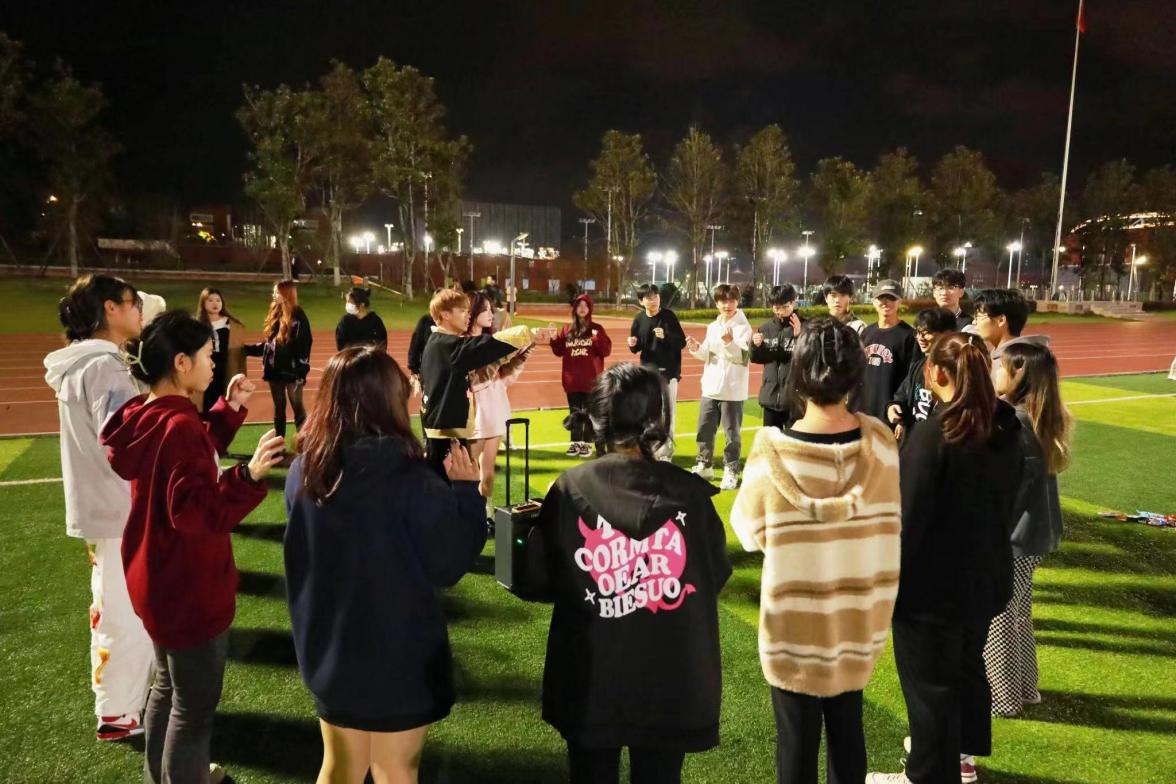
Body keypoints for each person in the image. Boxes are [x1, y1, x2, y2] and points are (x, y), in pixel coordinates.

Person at [284, 346, 487, 784]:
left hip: (332, 652)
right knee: (395, 770)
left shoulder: (305, 472)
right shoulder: (412, 479)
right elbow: (449, 563)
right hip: (401, 659)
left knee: (340, 768)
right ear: (388, 401)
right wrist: (468, 494)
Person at [100, 311, 285, 784]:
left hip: (156, 576)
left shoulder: (149, 415)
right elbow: (197, 513)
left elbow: (189, 454)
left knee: (167, 688)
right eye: (207, 355)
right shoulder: (178, 425)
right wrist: (248, 476)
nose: (214, 363)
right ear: (181, 362)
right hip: (188, 586)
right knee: (193, 708)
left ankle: (161, 777)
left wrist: (227, 409)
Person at [534, 363, 732, 784]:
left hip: (591, 679)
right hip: (670, 676)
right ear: (656, 418)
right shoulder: (691, 494)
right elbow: (716, 572)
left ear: (598, 417)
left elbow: (538, 578)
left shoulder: (569, 488)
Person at [731, 317, 901, 784]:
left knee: (796, 743)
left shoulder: (771, 454)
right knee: (849, 733)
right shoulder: (881, 443)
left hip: (793, 625)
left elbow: (748, 532)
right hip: (858, 620)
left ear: (799, 374)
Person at [867, 334, 1027, 784]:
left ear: (935, 372)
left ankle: (926, 774)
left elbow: (907, 521)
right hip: (983, 579)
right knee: (964, 672)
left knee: (931, 690)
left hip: (932, 592)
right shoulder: (1004, 427)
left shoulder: (936, 435)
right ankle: (960, 760)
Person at [43, 274, 153, 743]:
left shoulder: (83, 363)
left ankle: (121, 703)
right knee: (127, 612)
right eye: (133, 303)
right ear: (110, 308)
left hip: (103, 509)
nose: (139, 311)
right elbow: (126, 438)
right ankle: (120, 710)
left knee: (113, 606)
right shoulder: (104, 367)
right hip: (119, 507)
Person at [984, 342, 1072, 718]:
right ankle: (1026, 686)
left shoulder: (1015, 423)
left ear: (1018, 374)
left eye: (1000, 367)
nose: (994, 373)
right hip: (1033, 534)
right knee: (1018, 610)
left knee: (1000, 614)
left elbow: (1010, 490)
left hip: (1016, 536)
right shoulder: (1038, 418)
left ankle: (1004, 697)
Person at [420, 288, 540, 478]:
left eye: (468, 311)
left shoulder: (437, 342)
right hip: (446, 434)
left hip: (440, 430)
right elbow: (488, 346)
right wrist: (527, 333)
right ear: (445, 315)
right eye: (462, 311)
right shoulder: (448, 346)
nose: (468, 316)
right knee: (453, 486)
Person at [465, 291, 534, 499]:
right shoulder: (462, 343)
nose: (490, 314)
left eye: (491, 309)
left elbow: (504, 373)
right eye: (484, 310)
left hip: (495, 408)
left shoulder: (491, 340)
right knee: (467, 473)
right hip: (475, 412)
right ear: (472, 312)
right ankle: (463, 512)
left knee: (487, 476)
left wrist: (528, 349)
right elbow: (476, 376)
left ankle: (485, 512)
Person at [687, 283, 753, 490]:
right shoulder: (713, 326)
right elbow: (708, 354)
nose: (727, 305)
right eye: (723, 301)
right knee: (705, 429)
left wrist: (729, 342)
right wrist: (697, 349)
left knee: (731, 434)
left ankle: (731, 469)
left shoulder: (744, 328)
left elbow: (742, 358)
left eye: (732, 300)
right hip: (710, 387)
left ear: (737, 302)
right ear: (716, 303)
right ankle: (704, 465)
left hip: (732, 390)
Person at [246, 280, 312, 440]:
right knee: (279, 407)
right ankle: (279, 442)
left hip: (292, 371)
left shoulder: (298, 316)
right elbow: (270, 343)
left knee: (297, 407)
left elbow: (305, 342)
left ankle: (305, 443)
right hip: (274, 370)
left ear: (286, 294)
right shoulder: (275, 312)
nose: (274, 295)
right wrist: (248, 350)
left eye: (277, 292)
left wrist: (301, 369)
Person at [627, 283, 687, 459]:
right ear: (641, 301)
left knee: (668, 414)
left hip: (668, 373)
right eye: (649, 298)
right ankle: (651, 450)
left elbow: (681, 342)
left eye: (656, 296)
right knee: (649, 415)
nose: (653, 300)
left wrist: (666, 336)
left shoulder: (669, 316)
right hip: (647, 375)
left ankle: (666, 453)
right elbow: (637, 346)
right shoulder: (639, 319)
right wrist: (632, 344)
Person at [551, 294, 612, 458]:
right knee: (574, 412)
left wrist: (596, 338)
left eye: (586, 305)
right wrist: (554, 338)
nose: (582, 308)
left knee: (590, 413)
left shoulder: (597, 328)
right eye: (579, 305)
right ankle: (575, 442)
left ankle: (587, 443)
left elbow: (606, 351)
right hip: (571, 380)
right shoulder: (567, 329)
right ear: (575, 309)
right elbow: (558, 351)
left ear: (590, 309)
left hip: (591, 380)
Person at [887, 308, 957, 442]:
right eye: (917, 332)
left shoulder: (956, 369)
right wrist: (893, 407)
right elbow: (902, 395)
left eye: (927, 333)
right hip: (914, 440)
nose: (920, 338)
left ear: (948, 334)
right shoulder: (918, 366)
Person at [854, 279, 917, 425]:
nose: (886, 303)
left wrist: (903, 414)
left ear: (899, 301)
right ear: (874, 302)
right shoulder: (867, 332)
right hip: (863, 411)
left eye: (891, 298)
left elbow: (912, 378)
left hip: (890, 414)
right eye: (881, 298)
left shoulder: (908, 336)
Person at [750, 284, 804, 431]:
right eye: (776, 307)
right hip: (770, 398)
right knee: (771, 442)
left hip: (795, 400)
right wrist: (756, 346)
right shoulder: (766, 328)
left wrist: (799, 336)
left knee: (794, 442)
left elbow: (808, 358)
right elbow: (756, 358)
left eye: (784, 307)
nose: (779, 312)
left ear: (793, 303)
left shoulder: (805, 325)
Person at [972, 288, 1049, 384]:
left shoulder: (1019, 363)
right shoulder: (997, 355)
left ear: (1001, 320)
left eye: (978, 317)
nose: (974, 322)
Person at [195, 287, 246, 413]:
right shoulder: (196, 325)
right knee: (204, 402)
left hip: (225, 367)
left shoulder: (231, 325)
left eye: (218, 300)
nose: (215, 303)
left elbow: (239, 350)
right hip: (204, 367)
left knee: (224, 402)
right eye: (210, 300)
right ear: (203, 303)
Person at [335, 286, 388, 351]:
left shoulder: (375, 321)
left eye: (350, 302)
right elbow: (340, 345)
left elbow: (382, 345)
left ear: (362, 304)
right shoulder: (345, 321)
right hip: (351, 357)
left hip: (370, 357)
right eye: (347, 302)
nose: (347, 305)